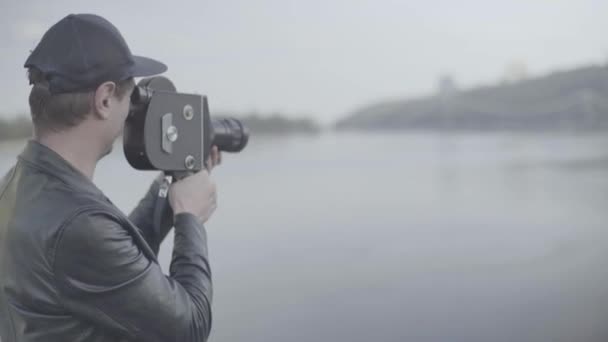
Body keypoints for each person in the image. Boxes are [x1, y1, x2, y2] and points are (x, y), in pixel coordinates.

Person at [0, 14, 219, 342]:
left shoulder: (19, 183)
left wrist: (173, 179)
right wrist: (191, 217)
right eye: (129, 97)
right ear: (104, 100)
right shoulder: (77, 223)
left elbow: (114, 262)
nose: (132, 111)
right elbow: (190, 326)